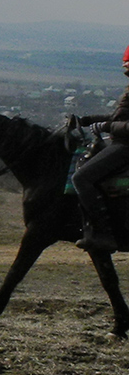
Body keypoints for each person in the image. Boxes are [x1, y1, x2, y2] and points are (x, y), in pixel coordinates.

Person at [70, 46, 129, 252]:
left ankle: (104, 234)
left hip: (125, 146)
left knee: (81, 178)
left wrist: (106, 127)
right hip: (121, 141)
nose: (124, 65)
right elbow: (119, 118)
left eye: (127, 61)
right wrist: (87, 120)